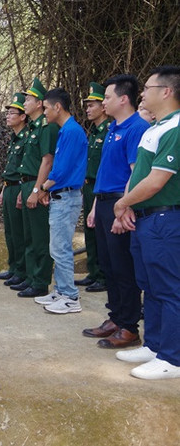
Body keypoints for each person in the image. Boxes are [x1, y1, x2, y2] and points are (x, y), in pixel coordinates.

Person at [113, 66, 180, 380]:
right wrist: (126, 207)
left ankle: (172, 357)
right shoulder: (155, 127)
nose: (143, 93)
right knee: (150, 287)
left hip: (165, 218)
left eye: (148, 87)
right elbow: (137, 174)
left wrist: (124, 203)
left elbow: (156, 180)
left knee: (169, 289)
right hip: (144, 218)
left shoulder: (176, 127)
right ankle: (154, 345)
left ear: (166, 91)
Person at [82, 74, 149, 347]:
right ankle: (116, 317)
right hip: (106, 202)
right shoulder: (111, 128)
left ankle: (130, 326)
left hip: (122, 204)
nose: (103, 101)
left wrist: (125, 208)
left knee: (124, 267)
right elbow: (104, 173)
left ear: (124, 99)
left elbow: (136, 173)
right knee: (108, 265)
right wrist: (97, 207)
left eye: (107, 97)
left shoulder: (137, 128)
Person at [34, 88, 87, 314]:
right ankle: (61, 290)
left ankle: (70, 297)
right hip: (61, 196)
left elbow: (61, 169)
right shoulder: (66, 130)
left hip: (66, 196)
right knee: (57, 247)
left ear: (58, 107)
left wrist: (42, 188)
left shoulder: (72, 131)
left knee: (62, 248)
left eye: (45, 107)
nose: (44, 112)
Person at [13, 78, 59, 298]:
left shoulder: (46, 128)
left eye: (29, 99)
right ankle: (31, 277)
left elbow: (47, 160)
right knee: (29, 236)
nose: (25, 102)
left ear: (40, 103)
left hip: (36, 183)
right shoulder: (32, 127)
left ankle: (40, 281)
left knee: (40, 237)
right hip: (27, 182)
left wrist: (37, 190)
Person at [76, 82, 109, 292]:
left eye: (92, 105)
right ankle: (93, 271)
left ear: (103, 107)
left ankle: (103, 275)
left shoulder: (107, 132)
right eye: (87, 105)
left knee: (101, 233)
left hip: (101, 188)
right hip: (88, 187)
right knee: (90, 231)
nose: (88, 109)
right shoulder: (94, 132)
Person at [0, 94, 28, 286]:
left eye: (12, 113)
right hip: (9, 187)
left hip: (19, 188)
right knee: (9, 231)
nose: (8, 116)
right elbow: (10, 168)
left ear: (23, 116)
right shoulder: (14, 138)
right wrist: (3, 189)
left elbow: (25, 169)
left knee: (19, 232)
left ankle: (22, 270)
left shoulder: (26, 138)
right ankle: (13, 267)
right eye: (7, 113)